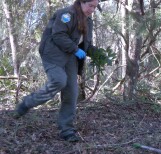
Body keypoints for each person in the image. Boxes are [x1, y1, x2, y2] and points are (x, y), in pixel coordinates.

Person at [13, 0, 99, 142]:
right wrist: (76, 49)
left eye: (95, 7)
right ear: (82, 2)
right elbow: (58, 35)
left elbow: (85, 44)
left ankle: (66, 130)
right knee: (59, 80)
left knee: (71, 92)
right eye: (90, 5)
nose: (92, 9)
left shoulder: (88, 21)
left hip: (70, 57)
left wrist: (98, 54)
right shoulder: (66, 14)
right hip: (53, 54)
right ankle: (27, 102)